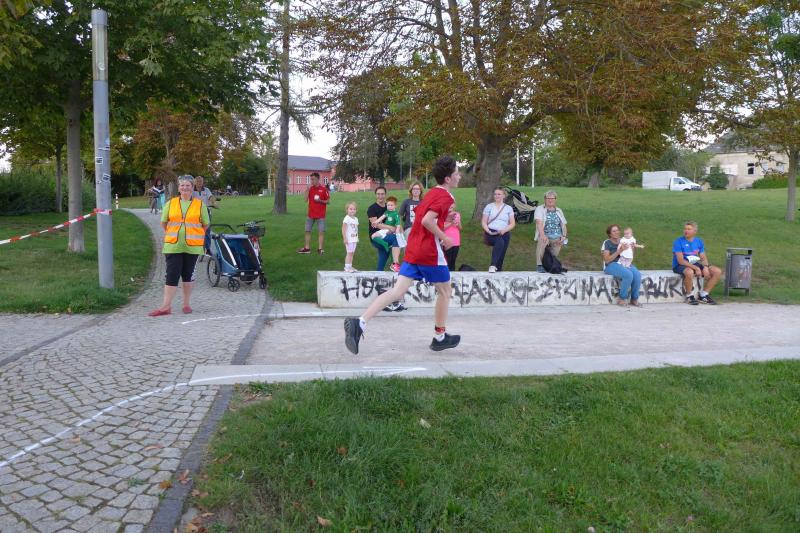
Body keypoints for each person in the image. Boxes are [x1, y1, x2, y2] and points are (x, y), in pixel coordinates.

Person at [344, 155, 462, 355]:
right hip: (429, 252)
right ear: (448, 178)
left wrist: (445, 218)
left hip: (414, 249)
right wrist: (444, 237)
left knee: (397, 291)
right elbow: (427, 221)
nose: (460, 176)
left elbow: (427, 219)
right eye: (457, 173)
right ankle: (440, 337)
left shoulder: (432, 194)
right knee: (445, 291)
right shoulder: (446, 197)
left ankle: (359, 323)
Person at [148, 175, 210, 317]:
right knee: (172, 274)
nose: (185, 187)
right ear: (179, 187)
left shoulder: (200, 205)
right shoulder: (171, 203)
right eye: (182, 185)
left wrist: (193, 233)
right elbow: (163, 223)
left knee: (188, 275)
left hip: (192, 246)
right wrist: (175, 233)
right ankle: (165, 306)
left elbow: (206, 224)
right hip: (173, 245)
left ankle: (186, 304)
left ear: (192, 187)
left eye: (188, 185)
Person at [672, 221, 722, 305]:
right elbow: (681, 260)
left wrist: (705, 267)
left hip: (694, 264)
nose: (686, 231)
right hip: (680, 265)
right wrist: (696, 268)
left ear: (694, 231)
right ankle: (689, 296)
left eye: (689, 229)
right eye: (685, 229)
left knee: (717, 271)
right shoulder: (678, 242)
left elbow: (703, 257)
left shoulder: (699, 241)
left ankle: (703, 295)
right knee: (689, 272)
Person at [601, 224, 643, 307]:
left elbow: (630, 255)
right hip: (611, 265)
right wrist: (619, 251)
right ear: (610, 234)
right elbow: (607, 260)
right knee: (628, 275)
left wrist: (632, 248)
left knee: (637, 275)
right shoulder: (607, 243)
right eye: (614, 231)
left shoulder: (624, 240)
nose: (616, 232)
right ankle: (622, 299)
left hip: (624, 262)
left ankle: (634, 299)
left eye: (617, 230)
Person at [366, 186, 401, 271]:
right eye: (378, 194)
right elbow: (376, 224)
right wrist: (391, 227)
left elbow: (396, 220)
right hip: (376, 237)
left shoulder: (389, 206)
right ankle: (395, 264)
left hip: (388, 234)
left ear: (385, 195)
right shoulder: (372, 208)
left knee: (384, 255)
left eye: (382, 194)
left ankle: (380, 272)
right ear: (375, 195)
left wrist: (399, 230)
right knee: (396, 239)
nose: (380, 196)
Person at [481, 188, 515, 272]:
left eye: (499, 194)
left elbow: (512, 223)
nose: (497, 196)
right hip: (491, 232)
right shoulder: (489, 207)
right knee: (500, 241)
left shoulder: (508, 208)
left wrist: (504, 230)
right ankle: (492, 265)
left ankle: (498, 269)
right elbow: (484, 222)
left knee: (502, 253)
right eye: (495, 194)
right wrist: (488, 231)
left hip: (504, 232)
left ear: (504, 195)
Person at [534, 190, 568, 273]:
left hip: (557, 236)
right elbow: (539, 223)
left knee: (554, 253)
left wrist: (564, 236)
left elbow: (563, 224)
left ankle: (550, 265)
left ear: (555, 199)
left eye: (552, 198)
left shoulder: (559, 210)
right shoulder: (540, 209)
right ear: (545, 199)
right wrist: (543, 235)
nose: (550, 200)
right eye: (548, 198)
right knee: (542, 241)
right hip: (545, 234)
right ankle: (539, 265)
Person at [297, 172, 330, 254]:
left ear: (318, 179)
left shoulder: (323, 189)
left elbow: (328, 201)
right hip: (311, 214)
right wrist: (307, 189)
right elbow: (305, 200)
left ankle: (320, 249)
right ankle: (307, 248)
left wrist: (320, 200)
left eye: (313, 179)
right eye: (311, 179)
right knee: (307, 231)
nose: (311, 181)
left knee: (321, 232)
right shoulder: (310, 189)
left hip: (320, 215)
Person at [192, 175, 215, 255]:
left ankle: (208, 249)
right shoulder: (192, 190)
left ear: (203, 182)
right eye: (198, 181)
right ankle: (196, 248)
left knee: (207, 231)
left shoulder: (206, 190)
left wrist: (213, 202)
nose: (199, 183)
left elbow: (210, 197)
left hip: (206, 212)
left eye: (201, 181)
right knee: (196, 230)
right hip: (195, 213)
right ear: (195, 182)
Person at [443, 203, 462, 271]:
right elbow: (441, 228)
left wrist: (457, 224)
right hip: (447, 239)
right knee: (447, 259)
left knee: (453, 260)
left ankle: (453, 273)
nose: (450, 207)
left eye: (452, 205)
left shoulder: (457, 214)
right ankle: (446, 274)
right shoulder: (442, 214)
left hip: (456, 240)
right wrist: (451, 223)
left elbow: (460, 228)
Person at [342, 201, 359, 273]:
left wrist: (356, 238)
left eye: (354, 209)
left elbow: (355, 229)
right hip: (349, 240)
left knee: (352, 253)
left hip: (354, 239)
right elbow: (343, 229)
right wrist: (345, 238)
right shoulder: (347, 218)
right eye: (350, 209)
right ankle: (346, 267)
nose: (352, 210)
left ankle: (350, 266)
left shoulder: (356, 219)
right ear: (347, 210)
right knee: (349, 253)